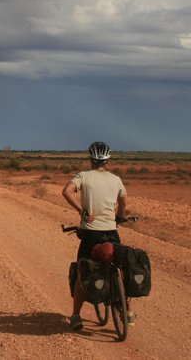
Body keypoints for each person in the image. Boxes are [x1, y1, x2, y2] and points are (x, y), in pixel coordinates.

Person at [62, 141, 133, 331]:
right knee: (120, 266)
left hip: (90, 233)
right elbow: (123, 201)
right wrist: (119, 217)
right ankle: (129, 311)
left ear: (91, 159)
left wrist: (82, 211)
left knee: (81, 270)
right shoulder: (116, 179)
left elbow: (66, 191)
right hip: (111, 231)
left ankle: (76, 316)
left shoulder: (83, 176)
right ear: (107, 160)